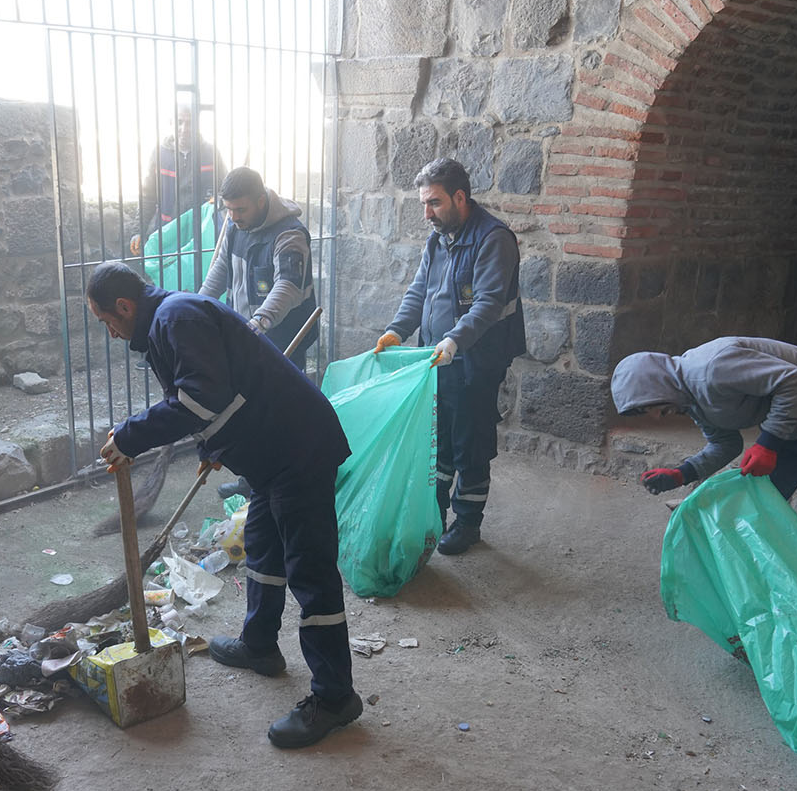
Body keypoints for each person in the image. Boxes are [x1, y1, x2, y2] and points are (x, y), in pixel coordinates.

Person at [89, 261, 361, 748]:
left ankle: (336, 696)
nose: (110, 333)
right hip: (269, 453)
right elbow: (222, 393)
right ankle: (259, 645)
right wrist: (213, 449)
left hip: (298, 449)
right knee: (263, 547)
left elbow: (200, 398)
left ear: (125, 307)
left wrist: (131, 435)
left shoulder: (177, 318)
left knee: (309, 571)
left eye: (107, 321)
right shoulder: (168, 322)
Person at [610, 336, 797, 600]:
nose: (657, 416)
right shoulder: (691, 401)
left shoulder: (712, 368)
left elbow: (794, 380)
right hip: (791, 424)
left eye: (651, 407)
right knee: (754, 510)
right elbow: (725, 444)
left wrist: (768, 444)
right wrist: (683, 473)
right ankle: (772, 598)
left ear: (657, 383)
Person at [374, 158, 526, 556]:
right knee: (437, 440)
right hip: (437, 357)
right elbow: (419, 291)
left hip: (476, 360)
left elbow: (489, 303)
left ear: (460, 197)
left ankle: (468, 522)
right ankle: (434, 513)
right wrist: (397, 330)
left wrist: (455, 341)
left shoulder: (494, 239)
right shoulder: (439, 237)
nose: (427, 214)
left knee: (470, 441)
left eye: (434, 203)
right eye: (424, 204)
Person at [200, 166, 321, 499]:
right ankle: (252, 480)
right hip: (248, 333)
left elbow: (288, 287)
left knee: (278, 412)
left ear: (260, 199)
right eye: (229, 209)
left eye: (240, 209)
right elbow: (220, 270)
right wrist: (197, 309)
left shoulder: (289, 233)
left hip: (284, 336)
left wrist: (259, 323)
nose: (234, 216)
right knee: (250, 411)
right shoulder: (235, 224)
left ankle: (282, 481)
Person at [129, 101, 225, 258]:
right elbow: (148, 196)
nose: (184, 129)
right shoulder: (159, 154)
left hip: (202, 234)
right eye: (179, 122)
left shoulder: (211, 153)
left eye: (190, 123)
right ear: (171, 123)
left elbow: (225, 188)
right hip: (167, 233)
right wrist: (138, 231)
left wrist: (218, 198)